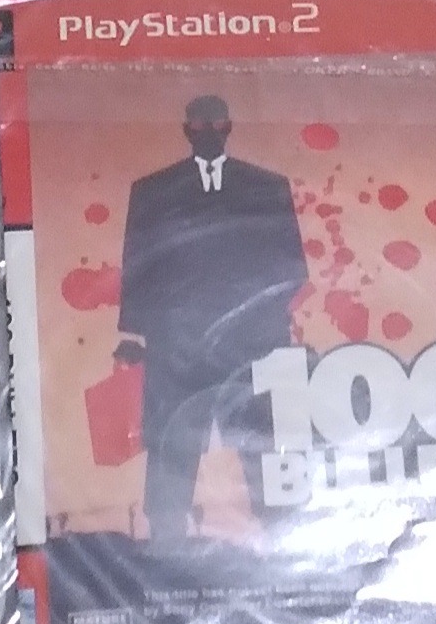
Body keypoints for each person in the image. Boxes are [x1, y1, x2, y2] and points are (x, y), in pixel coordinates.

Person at [117, 96, 308, 546]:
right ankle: (165, 538)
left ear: (229, 127)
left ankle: (282, 535)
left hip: (249, 345)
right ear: (187, 130)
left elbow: (290, 265)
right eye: (200, 125)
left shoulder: (265, 187)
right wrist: (149, 333)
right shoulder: (154, 190)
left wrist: (262, 327)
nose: (207, 132)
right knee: (171, 444)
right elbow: (139, 266)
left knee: (260, 438)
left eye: (215, 123)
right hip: (177, 349)